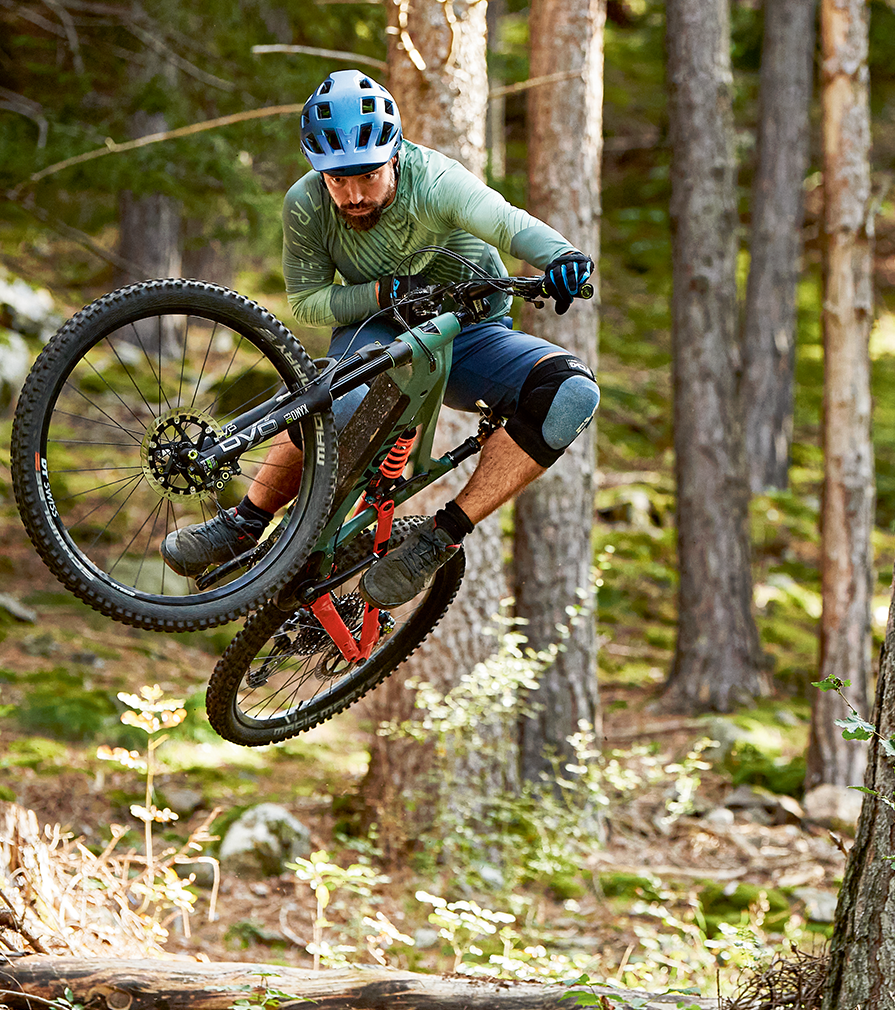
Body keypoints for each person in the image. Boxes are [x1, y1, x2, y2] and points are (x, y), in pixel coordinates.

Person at [161, 69, 598, 611]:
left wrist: (561, 257)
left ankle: (437, 540)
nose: (352, 195)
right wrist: (385, 292)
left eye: (366, 177)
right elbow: (309, 300)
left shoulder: (436, 182)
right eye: (336, 180)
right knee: (329, 400)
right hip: (375, 332)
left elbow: (509, 225)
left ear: (394, 155)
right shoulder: (306, 203)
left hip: (469, 334)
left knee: (570, 392)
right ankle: (245, 523)